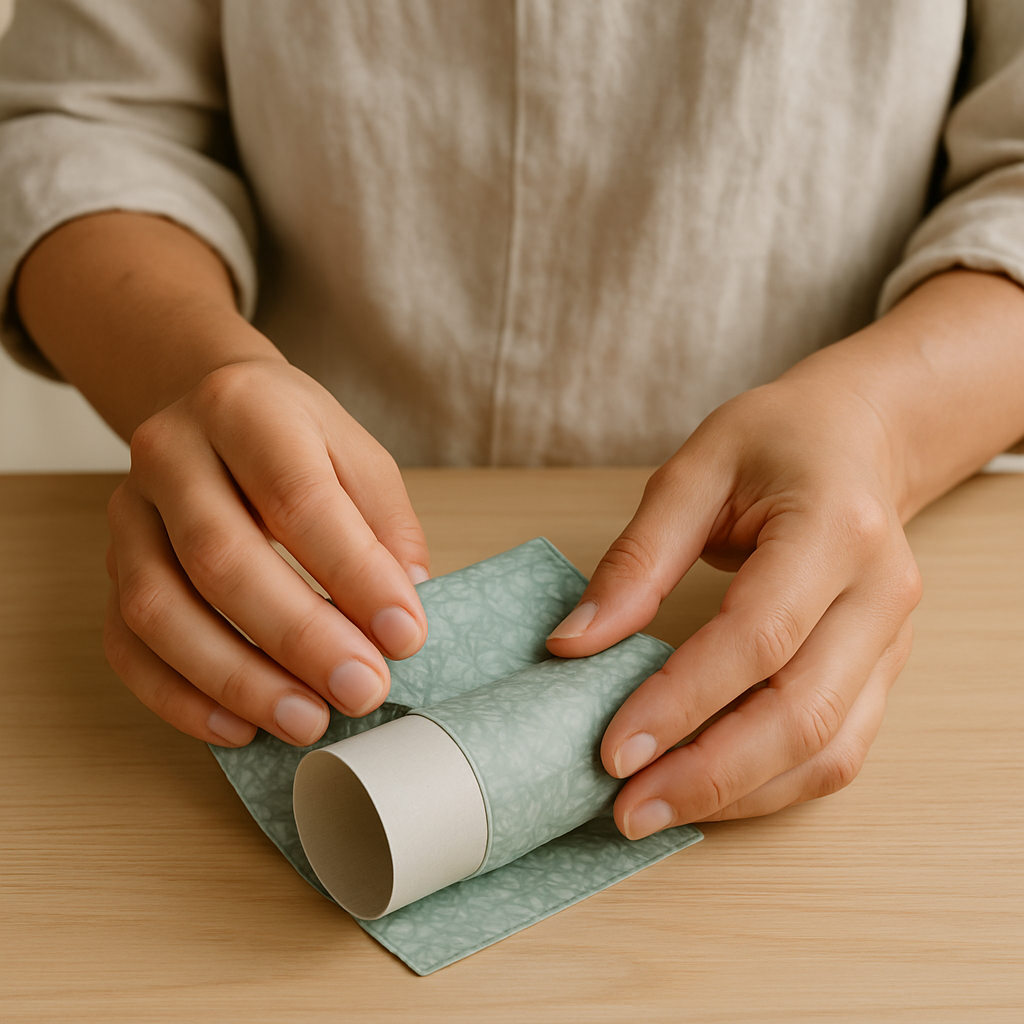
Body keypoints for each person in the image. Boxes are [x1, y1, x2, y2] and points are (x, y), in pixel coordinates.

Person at [2, 1, 1023, 843]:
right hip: (290, 565)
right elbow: (81, 121)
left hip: (798, 594)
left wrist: (881, 426)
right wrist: (192, 372)